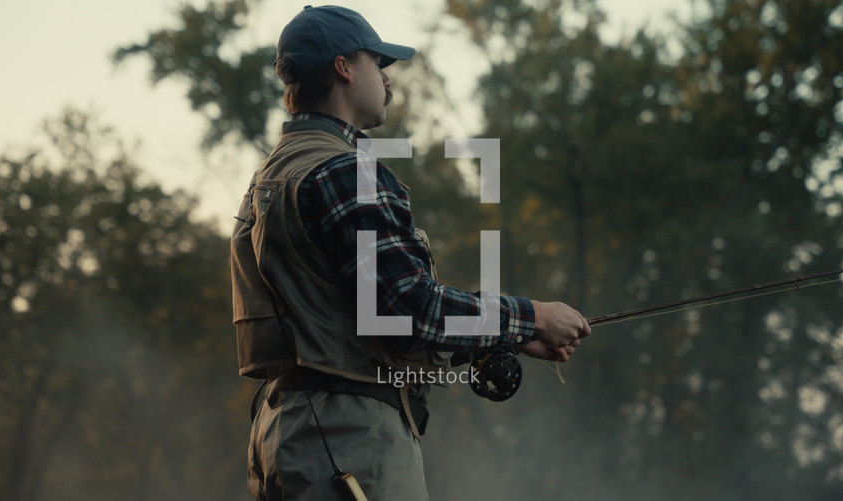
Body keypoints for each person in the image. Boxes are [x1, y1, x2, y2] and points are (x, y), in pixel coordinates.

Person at [230, 5, 592, 500]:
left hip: (288, 433)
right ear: (343, 67)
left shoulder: (269, 177)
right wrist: (531, 317)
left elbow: (361, 320)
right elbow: (411, 307)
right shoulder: (344, 171)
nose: (385, 78)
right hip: (350, 439)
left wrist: (492, 340)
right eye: (376, 63)